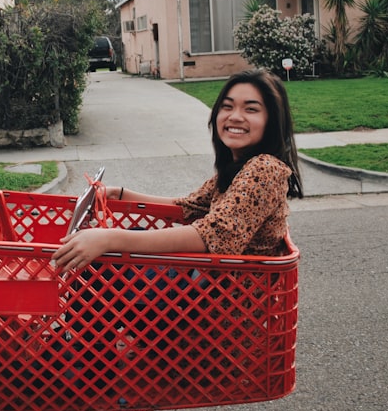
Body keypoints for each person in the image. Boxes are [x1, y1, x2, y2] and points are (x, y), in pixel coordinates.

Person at [52, 68, 302, 272]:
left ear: (272, 121)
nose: (235, 116)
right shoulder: (241, 168)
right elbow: (187, 207)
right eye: (227, 106)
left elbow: (211, 235)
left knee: (105, 266)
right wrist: (122, 194)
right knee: (120, 248)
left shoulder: (264, 170)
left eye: (251, 109)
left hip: (226, 306)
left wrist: (109, 239)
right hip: (203, 287)